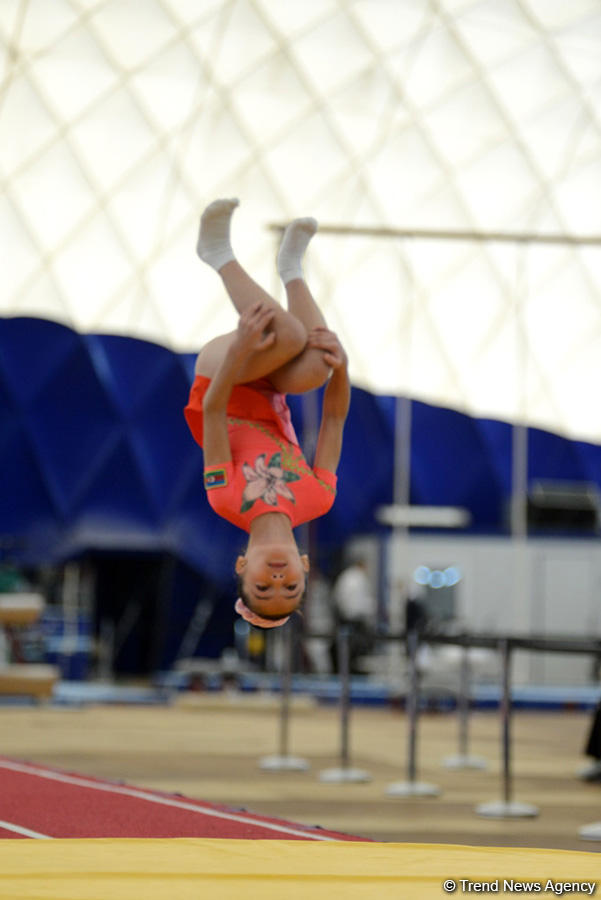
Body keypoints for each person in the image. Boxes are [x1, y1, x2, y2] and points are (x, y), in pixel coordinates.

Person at [184, 199, 350, 630]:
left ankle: (218, 255)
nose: (278, 580)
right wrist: (343, 368)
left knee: (289, 334)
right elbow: (334, 421)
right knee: (318, 366)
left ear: (241, 565)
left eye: (263, 588)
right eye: (290, 588)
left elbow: (215, 411)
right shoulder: (318, 498)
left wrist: (238, 354)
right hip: (267, 391)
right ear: (306, 567)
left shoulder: (225, 498)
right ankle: (292, 268)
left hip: (221, 382)